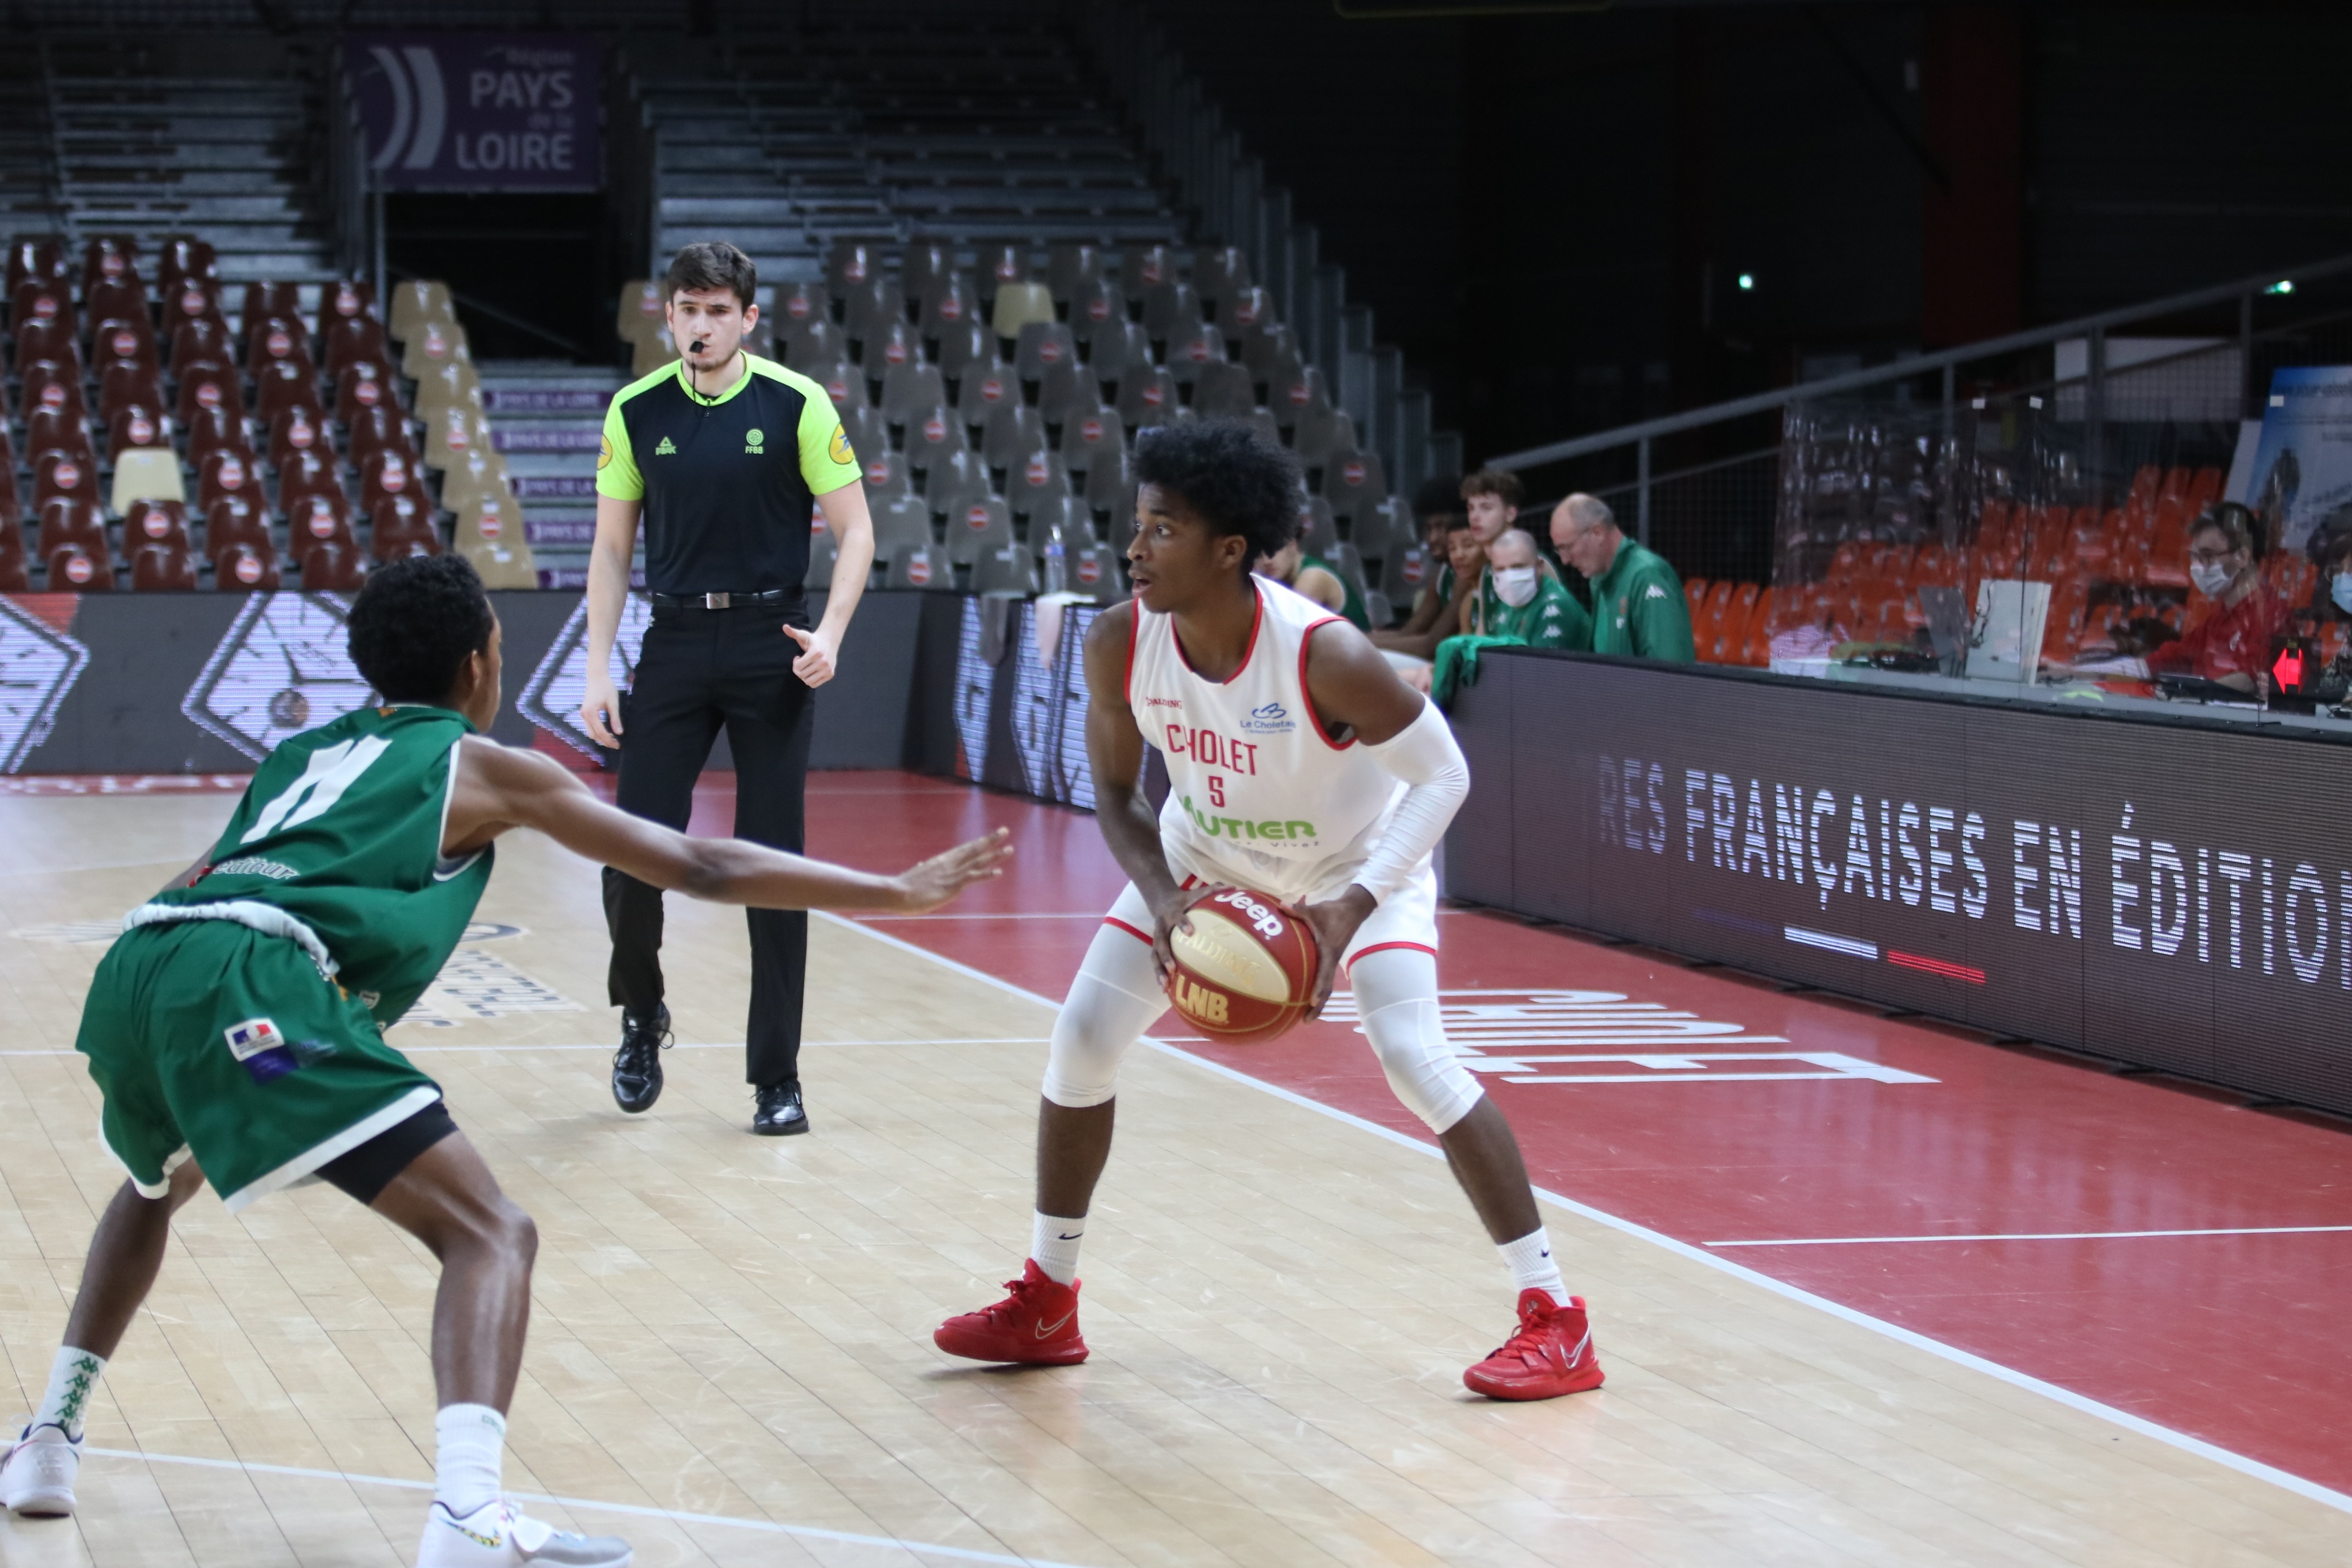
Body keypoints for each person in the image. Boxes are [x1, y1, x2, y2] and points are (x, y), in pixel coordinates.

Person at [0, 556, 1009, 1561]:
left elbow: (211, 874)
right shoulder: (480, 764)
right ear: (482, 661)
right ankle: (468, 1512)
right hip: (247, 978)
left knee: (153, 1185)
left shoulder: (306, 750)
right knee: (492, 1233)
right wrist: (892, 892)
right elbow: (697, 861)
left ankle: (49, 1436)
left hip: (144, 957)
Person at [932, 421, 1605, 1403]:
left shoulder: (1320, 653)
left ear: (1228, 550)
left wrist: (1351, 906)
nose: (1135, 548)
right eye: (1138, 524)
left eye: (1163, 529)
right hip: (1202, 860)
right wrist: (1166, 903)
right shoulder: (1122, 638)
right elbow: (1117, 795)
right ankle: (1048, 1299)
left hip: (1356, 867)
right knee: (1081, 1041)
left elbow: (1444, 771)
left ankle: (1557, 1317)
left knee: (1417, 1061)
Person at [579, 240, 878, 1137]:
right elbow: (608, 549)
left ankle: (775, 1077)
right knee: (634, 855)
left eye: (718, 311)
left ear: (748, 318)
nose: (699, 325)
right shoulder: (634, 411)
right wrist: (597, 665)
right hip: (671, 641)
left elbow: (856, 531)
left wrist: (829, 631)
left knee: (772, 867)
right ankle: (642, 1014)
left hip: (771, 641)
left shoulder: (797, 402)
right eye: (686, 309)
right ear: (665, 315)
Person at [1430, 528, 1588, 706]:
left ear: (1539, 567)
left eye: (1518, 567)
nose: (1510, 577)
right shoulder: (1507, 603)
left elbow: (1540, 680)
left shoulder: (1556, 606)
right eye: (1501, 569)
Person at [2148, 503, 2286, 692]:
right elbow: (2178, 656)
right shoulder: (2219, 617)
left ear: (2243, 558)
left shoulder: (2271, 614)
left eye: (2207, 556)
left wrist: (2193, 697)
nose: (2198, 567)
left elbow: (2249, 680)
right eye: (2195, 557)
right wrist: (2126, 667)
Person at [1550, 492, 1695, 662]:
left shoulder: (1648, 576)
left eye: (1567, 547)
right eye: (1559, 550)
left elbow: (1670, 668)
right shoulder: (1598, 581)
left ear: (1597, 533)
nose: (1565, 560)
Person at [1256, 534, 1369, 629]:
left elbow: (1286, 631)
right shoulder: (1280, 577)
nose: (1267, 561)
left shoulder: (1313, 578)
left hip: (1360, 651)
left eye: (1273, 551)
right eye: (1259, 555)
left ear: (1293, 545)